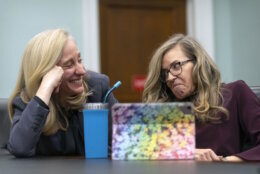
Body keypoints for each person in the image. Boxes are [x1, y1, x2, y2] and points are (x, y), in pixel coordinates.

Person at [142, 33, 260, 162]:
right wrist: (187, 154)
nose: (169, 78)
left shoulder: (235, 93)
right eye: (165, 73)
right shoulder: (165, 109)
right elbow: (141, 154)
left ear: (198, 62)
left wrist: (223, 162)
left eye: (176, 66)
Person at [8, 29, 117, 157]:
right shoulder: (27, 101)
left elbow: (121, 141)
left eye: (79, 60)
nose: (82, 71)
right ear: (47, 73)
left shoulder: (97, 88)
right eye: (69, 65)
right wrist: (46, 88)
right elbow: (20, 148)